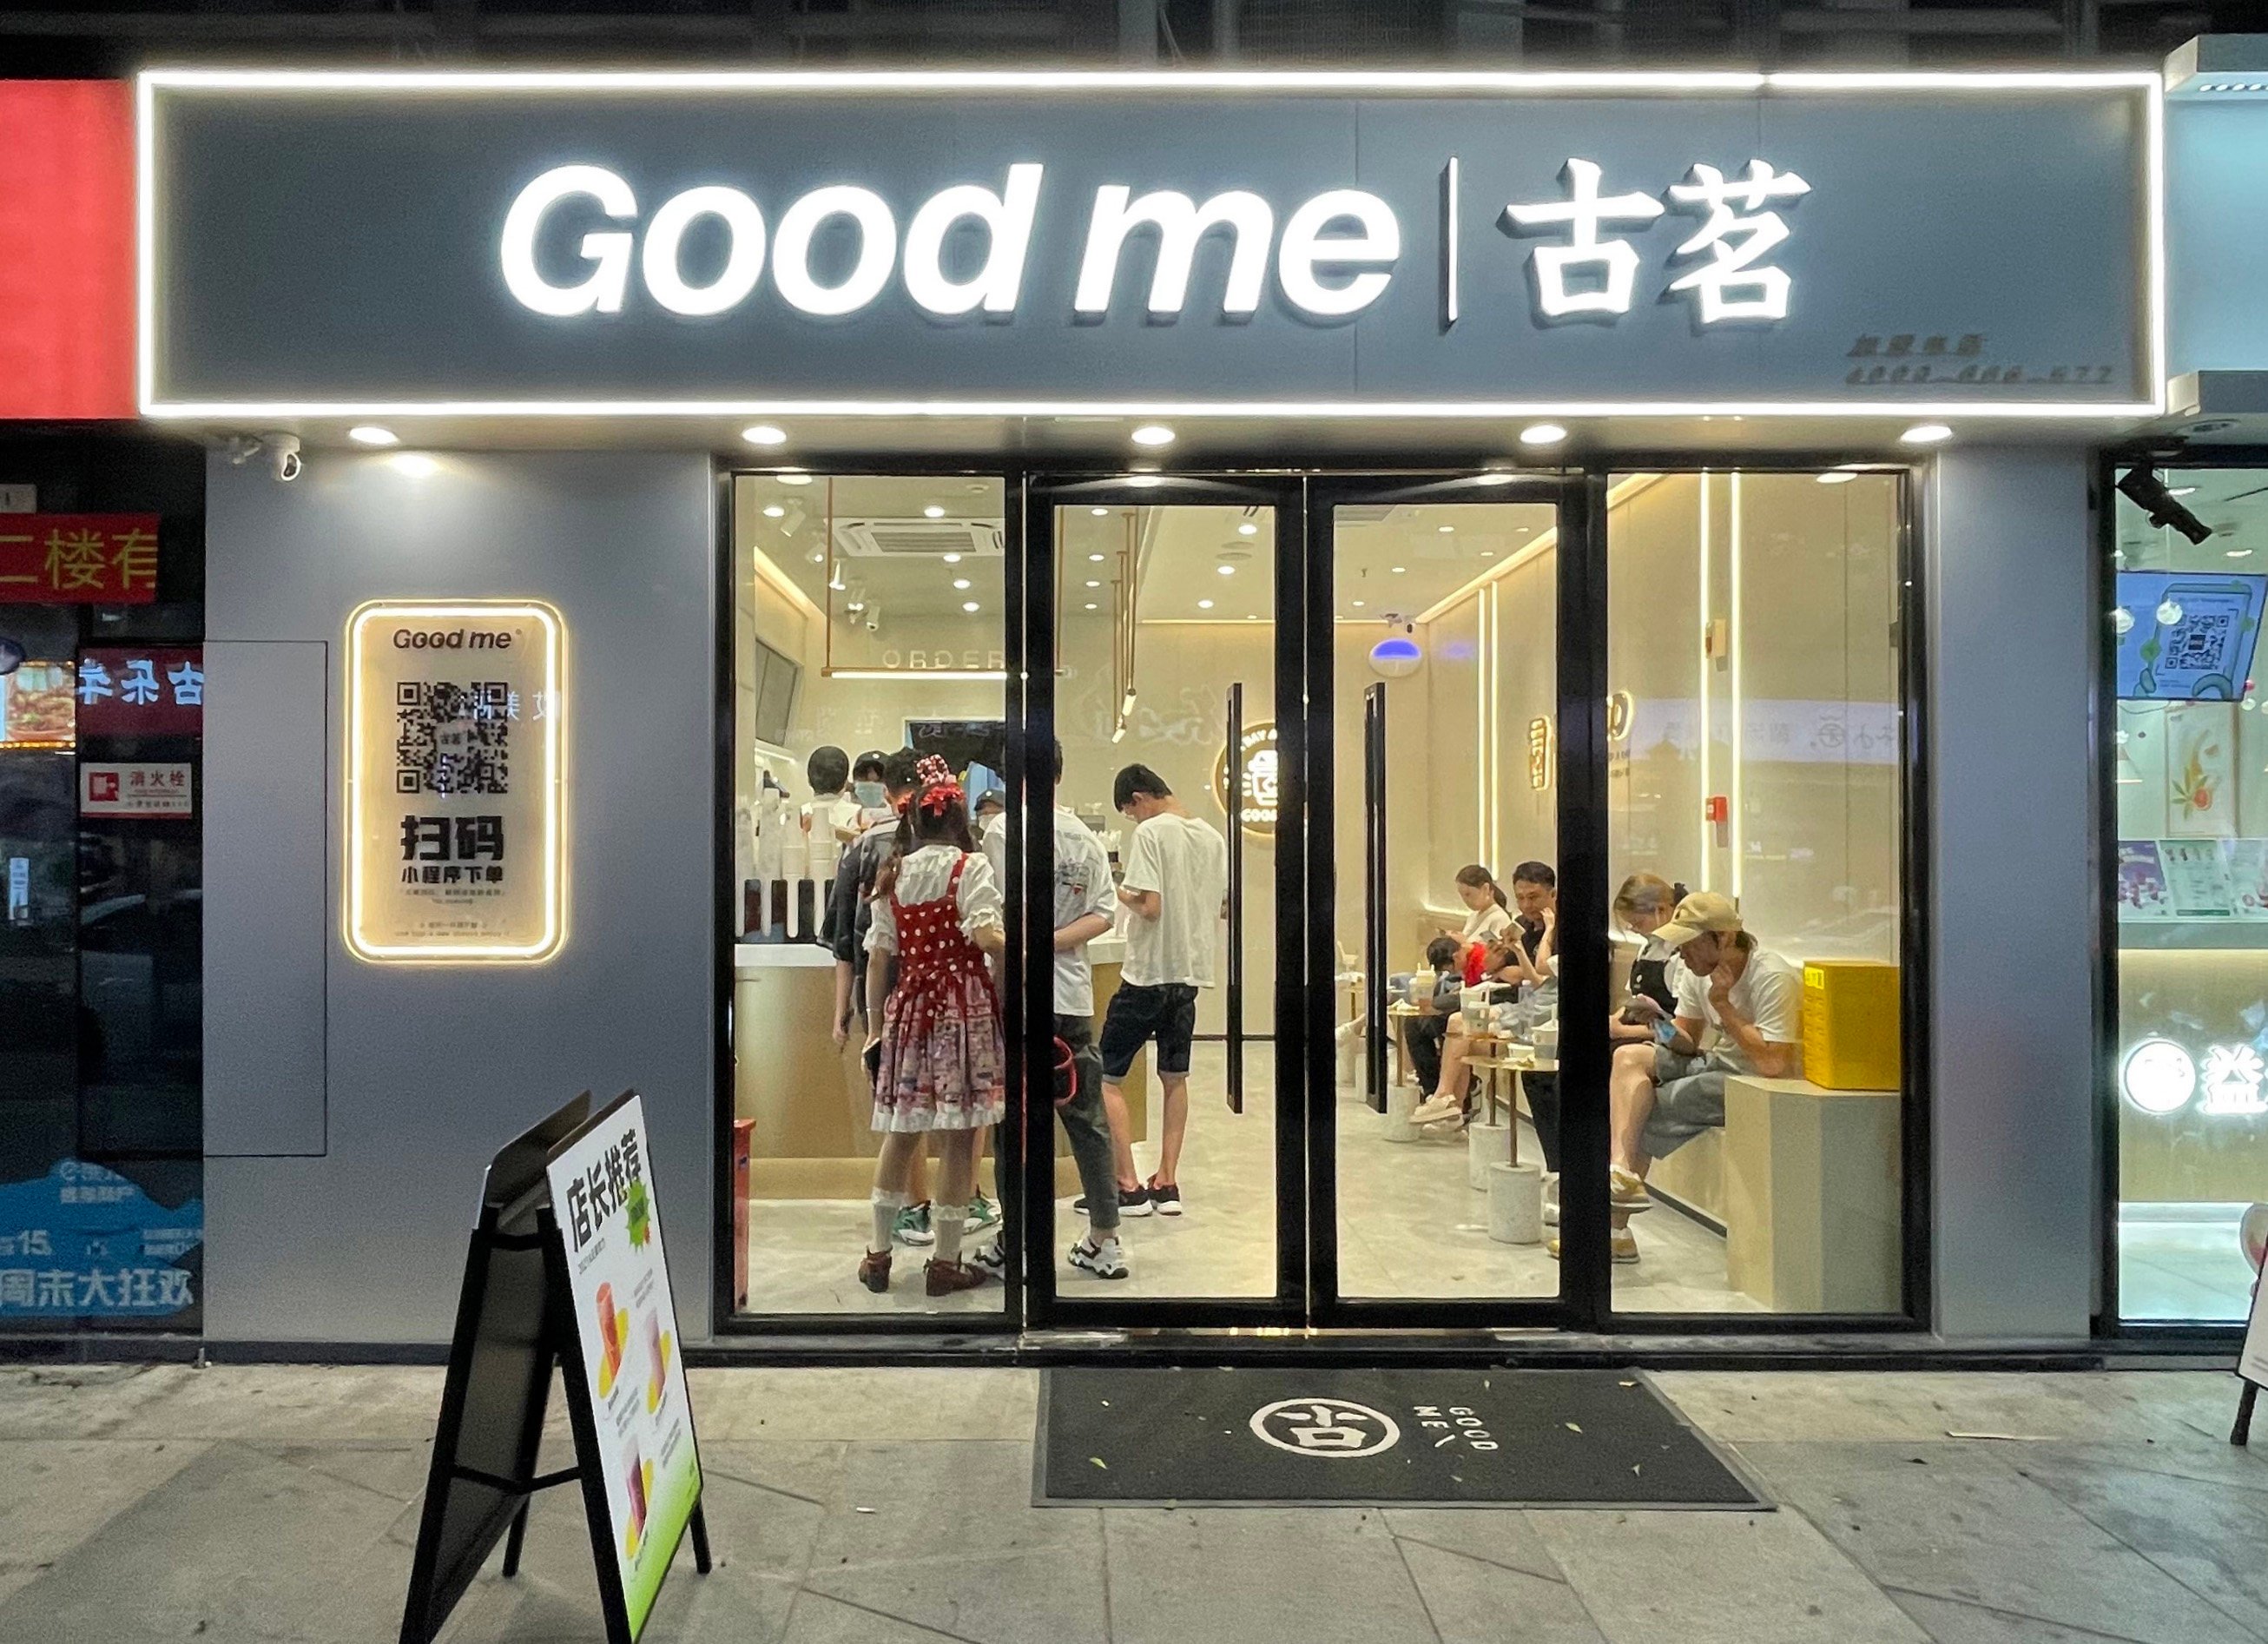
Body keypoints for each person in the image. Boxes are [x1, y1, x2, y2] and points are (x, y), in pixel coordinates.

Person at [1561, 890, 1800, 1265]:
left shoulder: (1771, 976)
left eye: (1687, 944)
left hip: (1754, 1079)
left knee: (1647, 1109)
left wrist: (1724, 1006)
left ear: (1720, 938)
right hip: (1715, 1062)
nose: (1681, 955)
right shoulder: (1697, 974)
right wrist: (1658, 1023)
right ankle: (1620, 1171)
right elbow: (1687, 1043)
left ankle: (1612, 1231)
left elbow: (1774, 1064)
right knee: (1627, 1057)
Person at [976, 739, 1130, 1281]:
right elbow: (1105, 914)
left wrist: (1027, 946)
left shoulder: (1000, 832)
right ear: (1059, 776)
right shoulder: (1083, 838)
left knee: (1012, 1124)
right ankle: (1105, 1239)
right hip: (1070, 999)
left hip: (1015, 998)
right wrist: (1055, 941)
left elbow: (990, 914)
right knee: (1085, 1118)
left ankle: (1013, 1238)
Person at [858, 764, 1008, 1297]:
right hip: (961, 1012)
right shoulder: (970, 868)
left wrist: (875, 1027)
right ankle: (945, 1264)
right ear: (959, 820)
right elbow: (987, 936)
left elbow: (878, 959)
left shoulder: (893, 875)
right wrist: (1017, 951)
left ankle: (877, 1256)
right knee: (962, 1138)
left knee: (901, 1132)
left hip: (908, 1010)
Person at [1096, 763, 1229, 1217]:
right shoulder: (1213, 838)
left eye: (1129, 813)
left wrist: (1120, 891)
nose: (1133, 821)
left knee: (1106, 1078)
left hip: (1147, 973)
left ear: (1138, 798)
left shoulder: (1152, 834)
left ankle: (1128, 1185)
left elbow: (1150, 907)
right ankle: (1167, 1181)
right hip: (1188, 975)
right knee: (1175, 1079)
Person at [1413, 861, 1558, 1129]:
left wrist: (1515, 961)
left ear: (1553, 894)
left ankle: (1452, 1101)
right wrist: (1500, 963)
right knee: (1452, 1022)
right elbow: (1497, 966)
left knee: (1443, 1018)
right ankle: (1448, 1100)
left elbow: (1535, 974)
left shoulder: (1548, 929)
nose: (1526, 905)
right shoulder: (1518, 925)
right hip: (1509, 994)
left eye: (1533, 897)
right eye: (1521, 898)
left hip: (1535, 1007)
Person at [1403, 934, 1466, 1100]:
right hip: (1459, 995)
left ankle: (1447, 1091)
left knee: (1441, 1020)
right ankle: (1430, 1088)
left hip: (1473, 1000)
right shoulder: (1457, 965)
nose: (1449, 972)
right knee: (1413, 1022)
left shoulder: (1478, 956)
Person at [801, 745, 860, 881]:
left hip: (800, 896)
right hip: (847, 897)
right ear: (845, 781)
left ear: (809, 780)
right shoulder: (859, 816)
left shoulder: (795, 817)